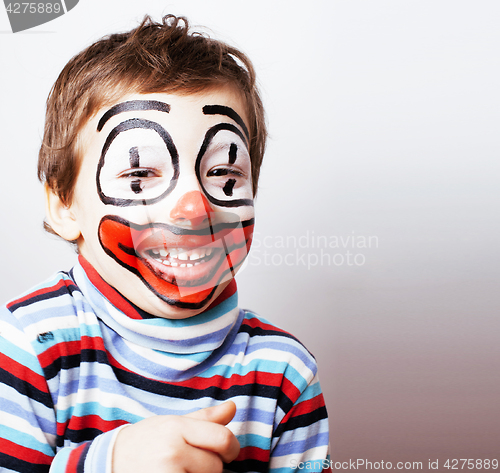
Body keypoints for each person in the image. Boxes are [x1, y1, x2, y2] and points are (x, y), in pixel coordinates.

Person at [0, 15, 330, 473]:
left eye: (223, 173)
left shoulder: (286, 373)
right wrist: (109, 463)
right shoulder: (28, 344)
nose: (194, 210)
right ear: (63, 205)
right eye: (139, 175)